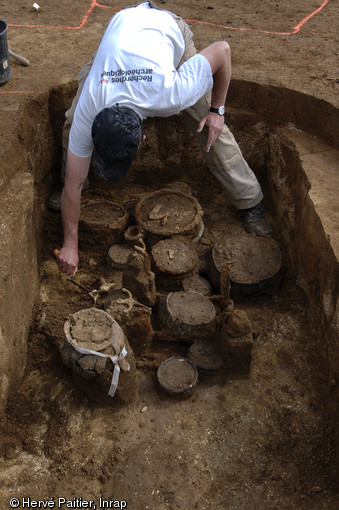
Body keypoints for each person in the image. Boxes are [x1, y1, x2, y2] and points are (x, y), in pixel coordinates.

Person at [53, 1, 272, 277]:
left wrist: (218, 110)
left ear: (143, 138)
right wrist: (70, 244)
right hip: (122, 31)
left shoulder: (171, 93)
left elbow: (222, 50)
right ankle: (69, 197)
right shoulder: (89, 110)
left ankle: (249, 200)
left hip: (166, 30)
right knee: (71, 121)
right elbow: (71, 186)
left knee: (205, 121)